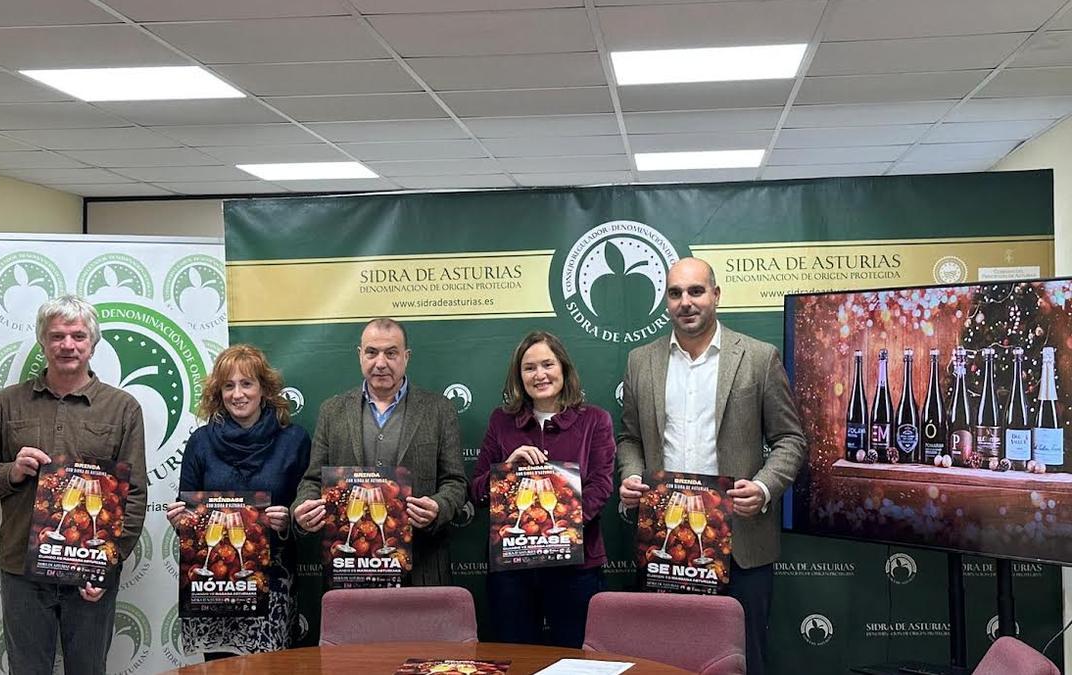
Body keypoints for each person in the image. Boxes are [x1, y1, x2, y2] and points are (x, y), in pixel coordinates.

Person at [617, 258, 805, 675]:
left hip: (741, 542)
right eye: (675, 293)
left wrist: (764, 487)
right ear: (666, 301)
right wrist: (630, 475)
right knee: (664, 661)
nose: (686, 302)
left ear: (716, 295)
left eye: (696, 291)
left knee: (741, 659)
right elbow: (629, 438)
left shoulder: (758, 357)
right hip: (663, 541)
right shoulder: (640, 361)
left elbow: (790, 440)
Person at [0, 295, 147, 675]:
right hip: (22, 571)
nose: (67, 345)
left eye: (78, 336)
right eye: (57, 335)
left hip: (90, 571)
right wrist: (11, 471)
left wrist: (105, 566)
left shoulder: (123, 408)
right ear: (42, 341)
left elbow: (135, 496)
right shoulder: (5, 405)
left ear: (93, 343)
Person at [291, 317, 468, 585]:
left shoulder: (439, 409)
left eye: (391, 353)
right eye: (372, 352)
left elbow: (455, 482)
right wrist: (302, 507)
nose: (381, 363)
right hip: (350, 567)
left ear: (406, 357)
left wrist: (439, 506)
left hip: (422, 567)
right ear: (360, 355)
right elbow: (313, 480)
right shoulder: (332, 411)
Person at [165, 344, 311, 659]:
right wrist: (181, 521)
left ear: (264, 389)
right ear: (219, 393)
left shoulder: (294, 440)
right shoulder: (200, 442)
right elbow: (188, 512)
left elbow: (307, 510)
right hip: (216, 585)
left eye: (247, 383)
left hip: (272, 585)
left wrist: (287, 519)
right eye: (228, 385)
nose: (238, 394)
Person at [471, 331, 615, 648]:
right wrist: (507, 469)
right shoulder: (501, 422)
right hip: (513, 570)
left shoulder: (595, 420)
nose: (540, 375)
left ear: (563, 368)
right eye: (529, 367)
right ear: (519, 376)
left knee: (578, 660)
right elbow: (476, 491)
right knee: (516, 657)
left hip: (576, 567)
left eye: (547, 364)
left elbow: (601, 487)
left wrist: (557, 530)